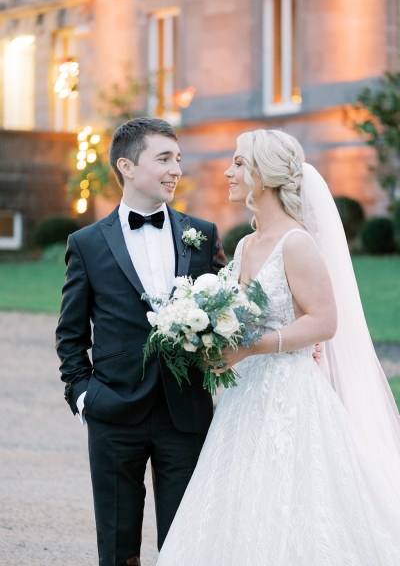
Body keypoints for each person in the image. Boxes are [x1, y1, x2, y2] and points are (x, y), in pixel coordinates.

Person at [156, 129, 400, 565]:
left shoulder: (297, 243)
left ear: (263, 177)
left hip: (290, 396)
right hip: (241, 398)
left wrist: (254, 348)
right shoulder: (246, 245)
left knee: (292, 498)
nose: (228, 172)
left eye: (237, 163)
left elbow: (324, 321)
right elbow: (236, 316)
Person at [55, 117, 227, 566]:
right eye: (164, 158)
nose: (176, 169)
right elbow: (71, 333)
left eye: (179, 159)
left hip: (184, 412)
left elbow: (226, 313)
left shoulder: (202, 235)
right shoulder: (87, 243)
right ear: (127, 166)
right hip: (114, 412)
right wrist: (83, 395)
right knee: (115, 543)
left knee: (186, 544)